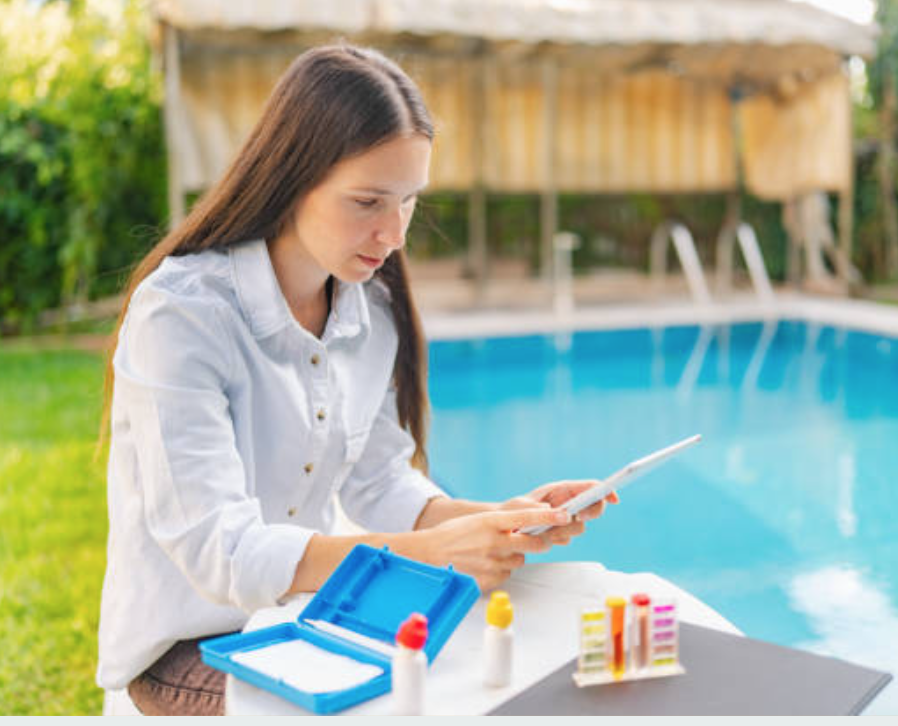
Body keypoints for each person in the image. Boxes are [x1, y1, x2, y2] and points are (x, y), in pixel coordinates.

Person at [95, 43, 614, 716]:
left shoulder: (366, 309)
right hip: (187, 646)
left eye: (408, 202)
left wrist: (502, 520)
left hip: (305, 620)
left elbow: (381, 484)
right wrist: (431, 551)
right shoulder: (183, 315)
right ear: (291, 179)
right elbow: (221, 552)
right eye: (368, 201)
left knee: (506, 669)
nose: (393, 234)